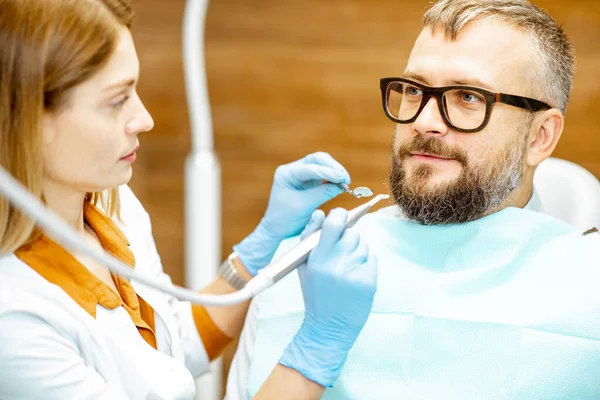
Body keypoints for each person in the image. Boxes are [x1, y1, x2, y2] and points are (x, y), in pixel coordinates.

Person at [0, 1, 378, 399]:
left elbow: (173, 350)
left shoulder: (111, 201)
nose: (144, 118)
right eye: (116, 101)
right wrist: (314, 354)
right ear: (27, 119)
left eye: (135, 89)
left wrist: (259, 250)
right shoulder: (15, 324)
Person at [227, 0, 600, 398]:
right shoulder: (303, 276)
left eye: (467, 97)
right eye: (413, 90)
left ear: (540, 136)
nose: (424, 121)